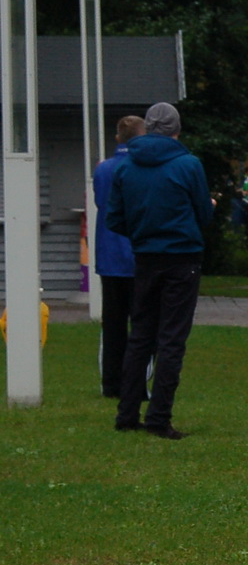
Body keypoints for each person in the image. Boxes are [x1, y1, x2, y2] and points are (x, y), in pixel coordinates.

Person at [107, 102, 213, 439]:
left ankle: (126, 413)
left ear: (147, 129)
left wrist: (143, 232)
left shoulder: (126, 167)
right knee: (171, 339)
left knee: (140, 336)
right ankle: (158, 416)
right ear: (176, 130)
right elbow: (203, 214)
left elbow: (114, 218)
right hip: (183, 257)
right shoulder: (188, 165)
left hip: (145, 257)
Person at [92, 115, 147, 397]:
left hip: (109, 254)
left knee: (113, 323)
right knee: (142, 323)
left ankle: (111, 383)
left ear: (117, 138)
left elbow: (101, 203)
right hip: (139, 254)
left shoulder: (103, 169)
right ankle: (137, 382)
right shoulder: (143, 168)